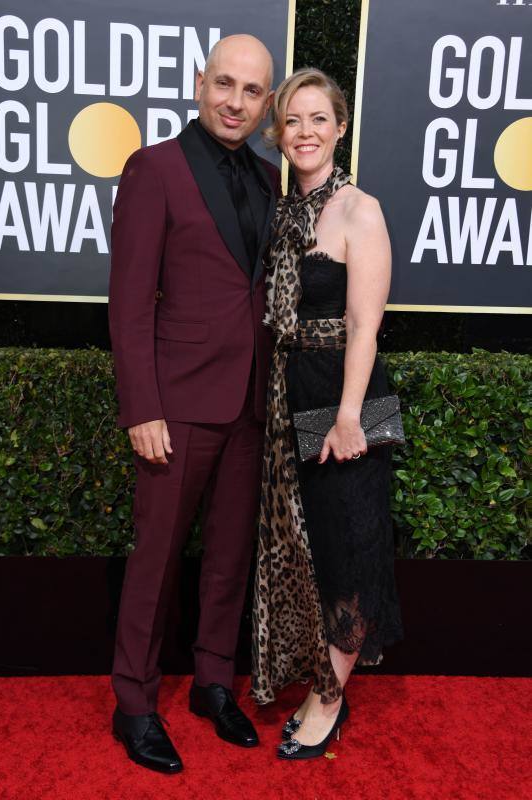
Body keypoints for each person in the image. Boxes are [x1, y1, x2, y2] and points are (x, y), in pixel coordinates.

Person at [109, 34, 281, 774]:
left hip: (250, 403)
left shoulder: (274, 179)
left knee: (230, 557)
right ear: (198, 83)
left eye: (251, 91)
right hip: (176, 404)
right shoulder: (154, 169)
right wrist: (141, 406)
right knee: (156, 560)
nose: (235, 102)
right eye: (224, 84)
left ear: (267, 103)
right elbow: (127, 300)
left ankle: (213, 682)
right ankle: (136, 705)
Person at [251, 68, 403, 760]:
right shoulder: (283, 214)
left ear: (341, 128)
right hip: (291, 390)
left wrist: (347, 418)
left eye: (319, 119)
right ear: (279, 136)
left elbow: (365, 326)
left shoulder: (359, 210)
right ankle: (314, 672)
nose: (305, 132)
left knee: (349, 549)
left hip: (347, 394)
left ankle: (329, 697)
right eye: (293, 121)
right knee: (309, 550)